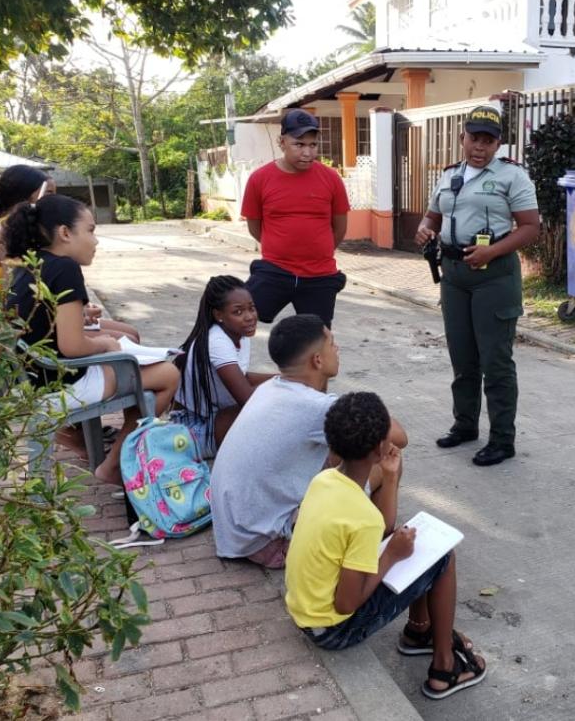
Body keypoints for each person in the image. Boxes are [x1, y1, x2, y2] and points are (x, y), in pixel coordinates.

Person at [285, 391, 486, 700]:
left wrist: (390, 480)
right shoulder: (362, 516)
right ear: (381, 447)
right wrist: (391, 556)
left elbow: (382, 529)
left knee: (412, 543)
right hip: (333, 630)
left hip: (306, 613)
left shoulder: (323, 481)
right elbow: (346, 604)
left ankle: (420, 632)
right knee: (442, 558)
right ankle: (444, 669)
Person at [2, 194, 180, 485]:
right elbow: (72, 346)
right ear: (65, 233)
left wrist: (92, 328)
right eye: (91, 230)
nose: (95, 240)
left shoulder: (29, 264)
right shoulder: (65, 268)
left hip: (33, 379)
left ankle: (121, 453)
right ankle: (112, 467)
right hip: (61, 384)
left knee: (130, 357)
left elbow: (45, 326)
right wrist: (106, 344)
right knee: (168, 374)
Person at [210, 314, 406, 568]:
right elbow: (400, 437)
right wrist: (367, 407)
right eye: (332, 344)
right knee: (385, 458)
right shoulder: (316, 407)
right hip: (268, 543)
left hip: (233, 533)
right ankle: (373, 547)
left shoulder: (271, 387)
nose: (338, 349)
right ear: (317, 360)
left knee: (341, 450)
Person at [414, 105, 541, 467]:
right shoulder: (450, 175)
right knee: (462, 357)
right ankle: (465, 425)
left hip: (494, 276)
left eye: (488, 141)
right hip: (454, 274)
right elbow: (433, 214)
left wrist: (492, 251)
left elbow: (531, 227)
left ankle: (502, 439)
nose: (480, 147)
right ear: (462, 138)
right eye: (474, 139)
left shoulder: (512, 177)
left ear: (498, 144)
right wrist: (425, 228)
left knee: (496, 361)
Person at [0, 164, 140, 343]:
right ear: (26, 197)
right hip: (12, 330)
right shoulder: (9, 234)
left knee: (129, 333)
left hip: (37, 316)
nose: (56, 199)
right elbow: (13, 302)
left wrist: (75, 309)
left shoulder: (21, 228)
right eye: (49, 193)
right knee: (127, 338)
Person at [240, 109, 349, 328]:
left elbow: (339, 228)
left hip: (320, 274)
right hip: (275, 270)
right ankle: (225, 361)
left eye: (313, 145)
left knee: (317, 339)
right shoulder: (260, 179)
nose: (308, 152)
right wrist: (279, 248)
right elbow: (255, 226)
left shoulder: (331, 178)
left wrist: (318, 251)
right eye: (299, 144)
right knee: (237, 316)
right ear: (282, 142)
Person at [171, 275, 273, 459]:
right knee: (273, 406)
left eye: (252, 308)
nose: (250, 317)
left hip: (214, 419)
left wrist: (285, 378)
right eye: (238, 312)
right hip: (194, 430)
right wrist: (287, 386)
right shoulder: (217, 341)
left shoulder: (238, 333)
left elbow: (241, 377)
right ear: (219, 315)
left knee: (284, 393)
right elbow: (248, 400)